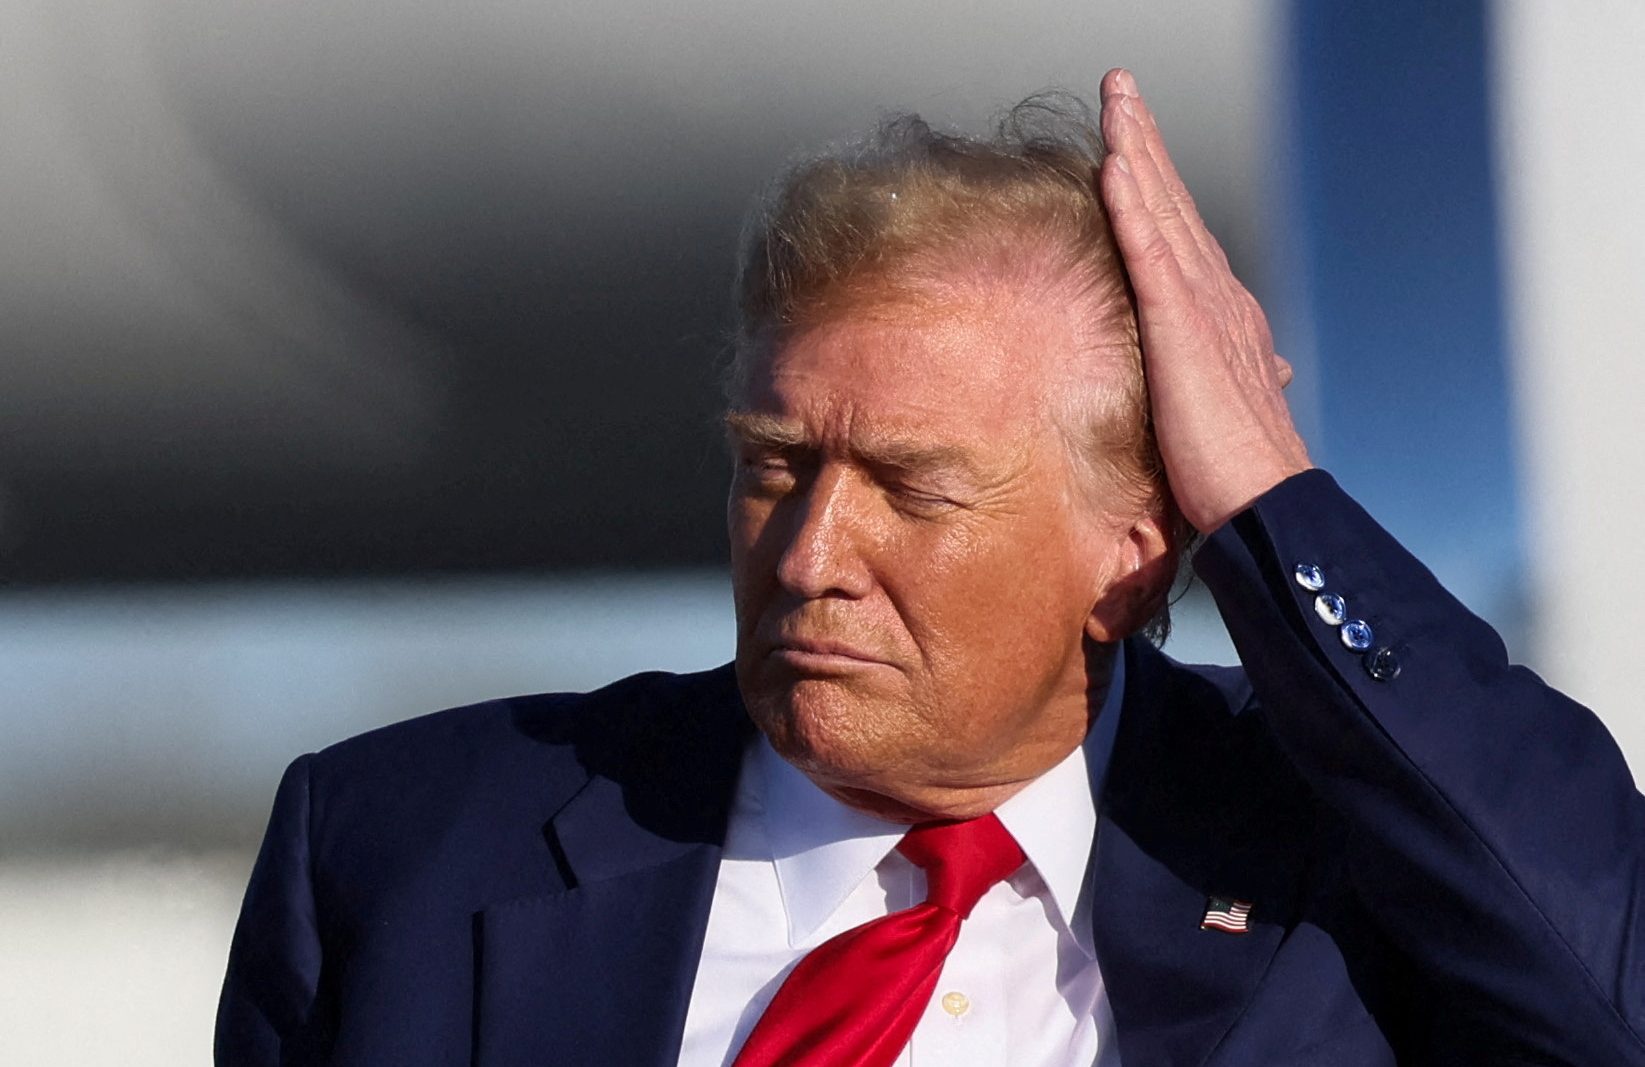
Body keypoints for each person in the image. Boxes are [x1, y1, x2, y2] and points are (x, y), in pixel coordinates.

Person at [215, 69, 1645, 1066]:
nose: (810, 554)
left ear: (1135, 556)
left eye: (911, 488)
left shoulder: (1340, 862)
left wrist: (1274, 498)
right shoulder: (402, 848)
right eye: (773, 466)